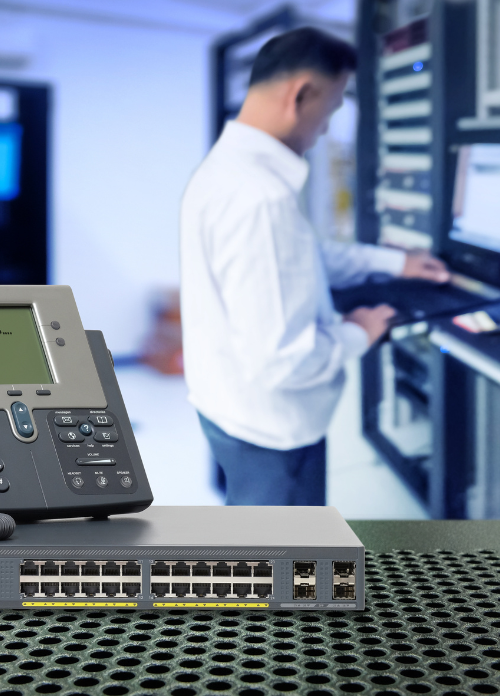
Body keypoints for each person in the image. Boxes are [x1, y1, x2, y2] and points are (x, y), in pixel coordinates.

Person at [179, 27, 449, 506]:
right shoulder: (259, 197)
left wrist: (394, 262)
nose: (328, 126)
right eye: (335, 103)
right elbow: (284, 359)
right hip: (271, 430)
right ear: (301, 95)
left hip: (229, 405)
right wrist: (360, 332)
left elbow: (304, 255)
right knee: (283, 566)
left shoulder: (226, 170)